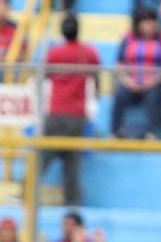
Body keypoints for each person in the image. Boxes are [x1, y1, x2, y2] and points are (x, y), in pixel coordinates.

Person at [41, 12, 101, 207]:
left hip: (56, 111)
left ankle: (26, 193)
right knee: (71, 161)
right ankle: (72, 202)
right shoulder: (89, 52)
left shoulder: (54, 53)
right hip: (76, 115)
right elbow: (96, 77)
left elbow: (47, 77)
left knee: (42, 157)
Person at [112, 7, 161, 139]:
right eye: (147, 22)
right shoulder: (128, 38)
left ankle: (150, 133)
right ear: (139, 24)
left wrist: (151, 82)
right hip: (131, 82)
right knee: (120, 94)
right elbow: (119, 64)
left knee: (154, 96)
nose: (151, 25)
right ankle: (115, 131)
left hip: (153, 83)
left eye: (153, 21)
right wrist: (129, 82)